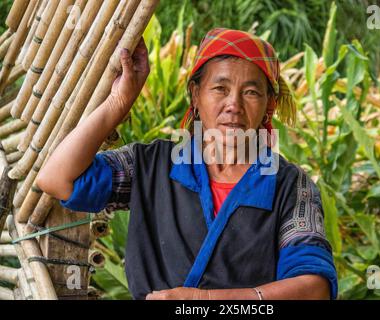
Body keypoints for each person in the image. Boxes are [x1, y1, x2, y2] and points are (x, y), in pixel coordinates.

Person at [36, 28, 338, 300]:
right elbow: (58, 179)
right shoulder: (152, 164)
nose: (234, 104)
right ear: (196, 95)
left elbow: (313, 289)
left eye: (251, 92)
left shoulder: (288, 185)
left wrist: (202, 301)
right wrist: (119, 102)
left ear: (269, 105)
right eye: (220, 88)